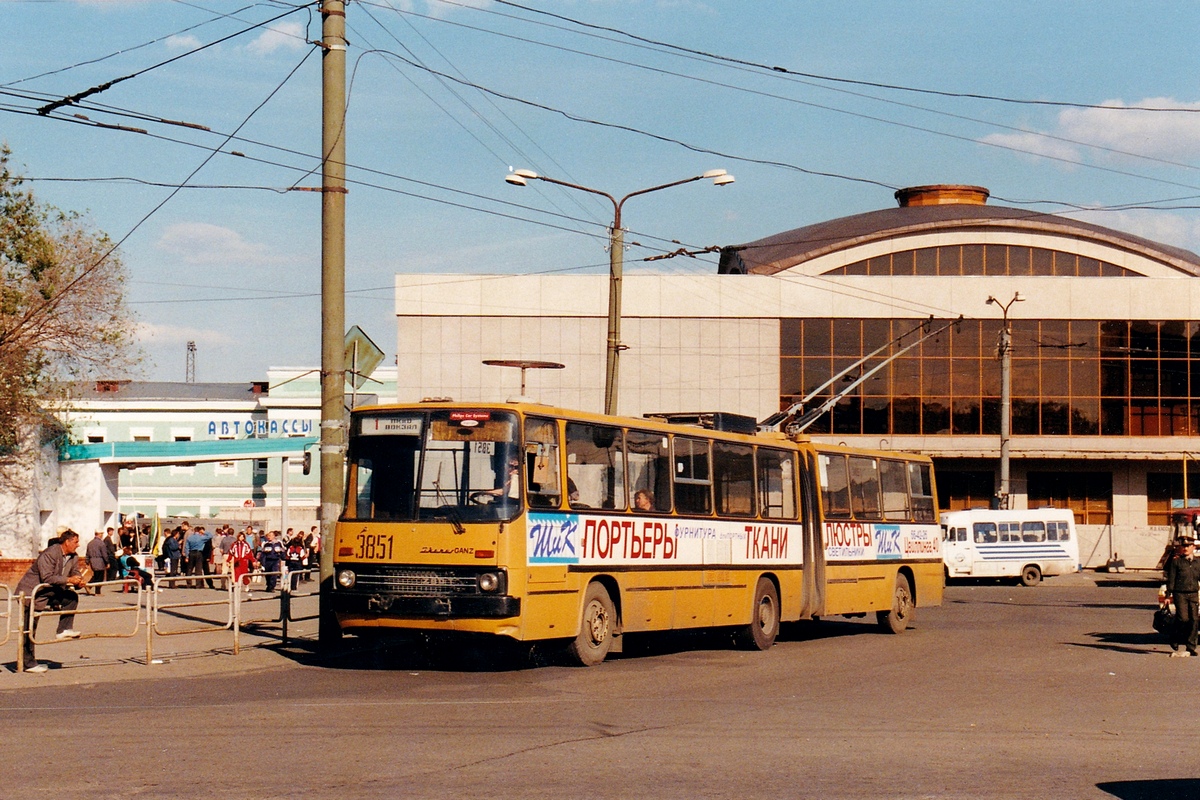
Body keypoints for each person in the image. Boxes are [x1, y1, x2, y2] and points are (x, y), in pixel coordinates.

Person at [16, 529, 86, 673]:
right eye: (76, 542)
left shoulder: (73, 556)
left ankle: (64, 629)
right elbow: (47, 577)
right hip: (31, 593)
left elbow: (75, 572)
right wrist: (68, 580)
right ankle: (28, 664)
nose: (78, 545)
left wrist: (78, 580)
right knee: (29, 629)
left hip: (49, 592)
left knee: (71, 597)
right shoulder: (50, 553)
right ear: (67, 542)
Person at [1166, 535, 1200, 657]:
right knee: (1183, 619)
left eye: (1188, 546)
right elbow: (1172, 579)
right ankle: (1174, 637)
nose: (1185, 548)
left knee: (1194, 620)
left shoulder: (1198, 562)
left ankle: (1191, 646)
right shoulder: (1177, 562)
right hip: (1180, 593)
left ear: (1193, 547)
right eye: (1183, 546)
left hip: (1193, 594)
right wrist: (1168, 595)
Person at [86, 530, 110, 595]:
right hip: (100, 561)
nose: (102, 535)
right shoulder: (101, 543)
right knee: (99, 577)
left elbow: (87, 553)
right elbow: (104, 554)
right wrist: (107, 562)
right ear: (99, 534)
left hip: (92, 561)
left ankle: (89, 585)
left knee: (96, 575)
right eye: (101, 534)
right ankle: (97, 592)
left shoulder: (90, 543)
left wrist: (87, 562)